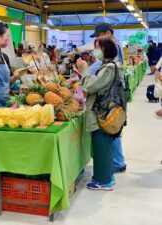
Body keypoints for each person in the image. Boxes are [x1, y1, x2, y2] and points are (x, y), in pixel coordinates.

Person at [76, 38, 121, 190]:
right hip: (107, 111)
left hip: (101, 113)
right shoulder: (110, 66)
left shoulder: (108, 68)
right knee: (105, 146)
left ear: (105, 50)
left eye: (97, 48)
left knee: (101, 146)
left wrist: (85, 69)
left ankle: (103, 181)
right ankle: (109, 174)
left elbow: (90, 86)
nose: (95, 51)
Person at [89, 23, 127, 174]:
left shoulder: (113, 47)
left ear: (108, 33)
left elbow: (103, 63)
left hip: (113, 94)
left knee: (111, 126)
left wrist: (87, 71)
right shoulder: (115, 45)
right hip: (117, 91)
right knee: (114, 126)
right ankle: (117, 161)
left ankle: (117, 162)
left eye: (99, 36)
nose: (98, 40)